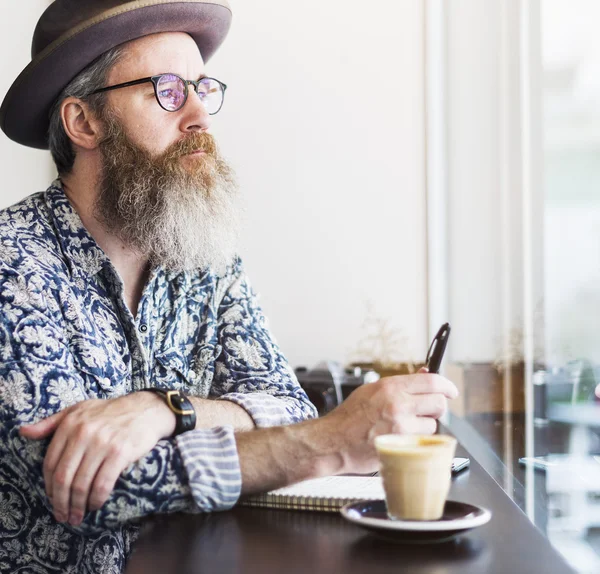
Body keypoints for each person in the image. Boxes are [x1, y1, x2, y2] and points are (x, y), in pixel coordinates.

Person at [0, 1, 459, 572]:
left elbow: (286, 403)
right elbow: (93, 485)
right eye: (167, 90)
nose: (199, 117)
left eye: (202, 88)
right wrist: (326, 442)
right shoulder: (11, 263)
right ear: (84, 123)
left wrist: (169, 411)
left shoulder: (203, 251)